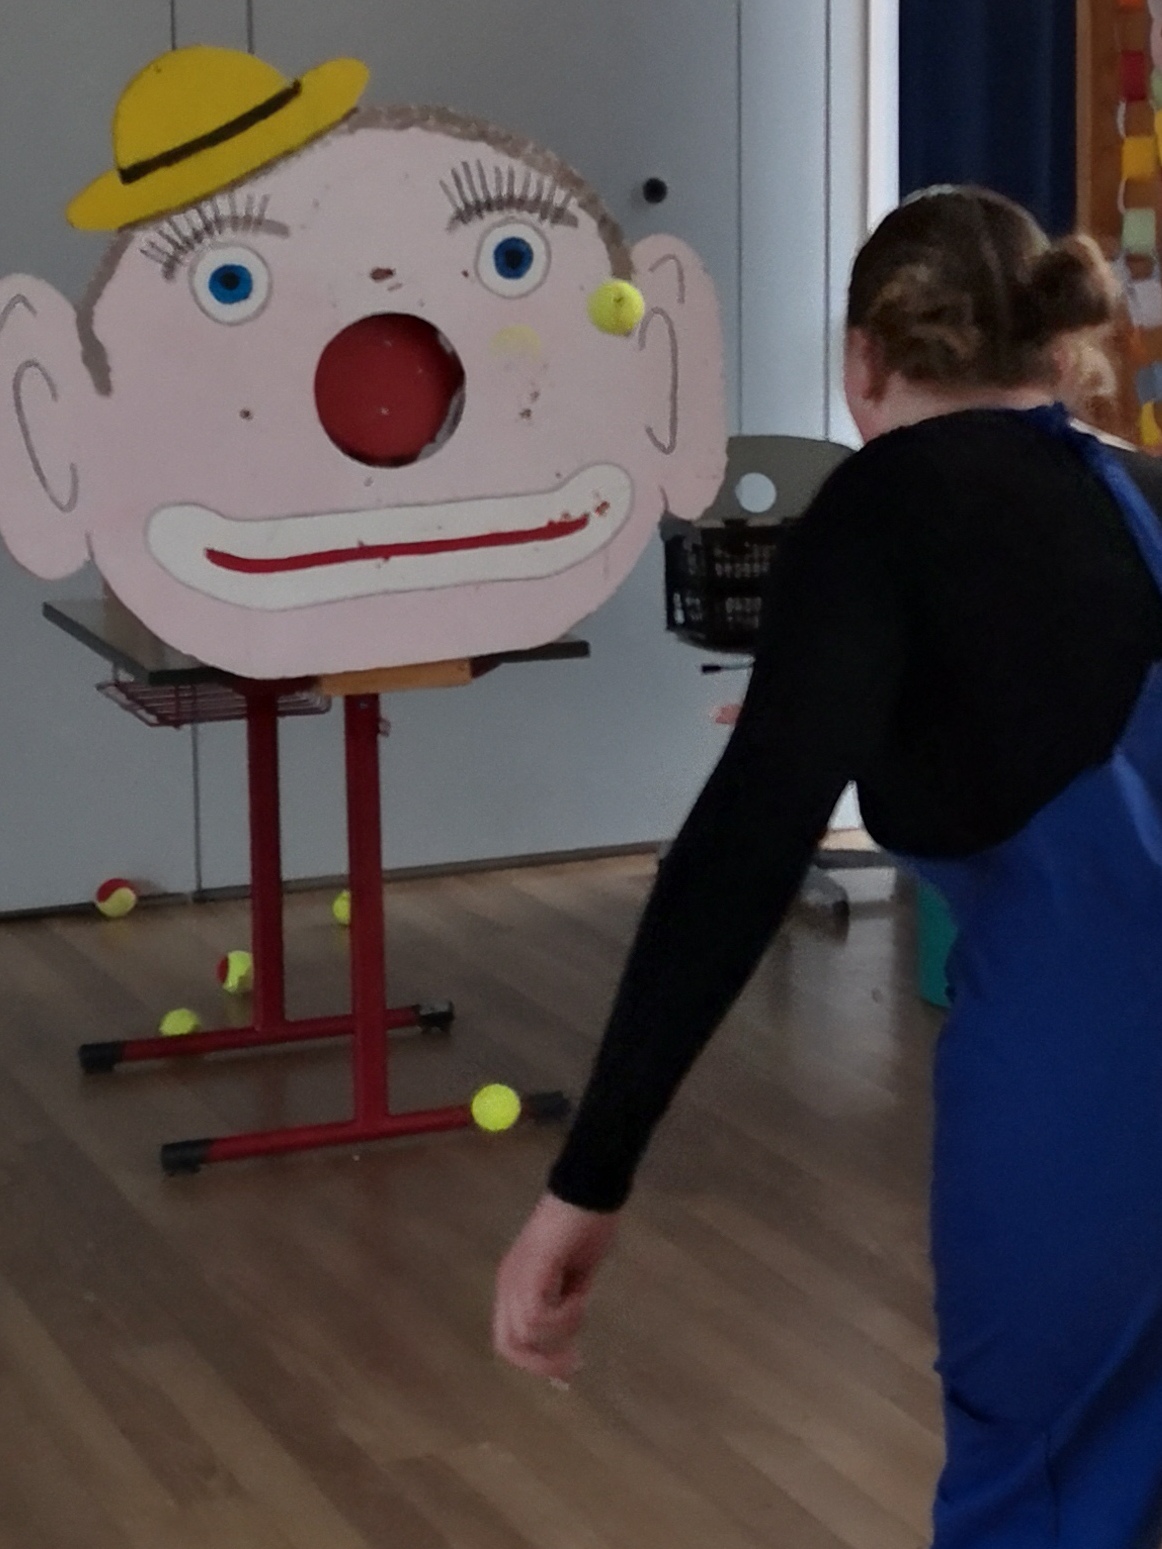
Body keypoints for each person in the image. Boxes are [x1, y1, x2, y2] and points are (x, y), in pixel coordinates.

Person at [492, 186, 1162, 1548]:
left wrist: (590, 1177)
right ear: (1055, 348)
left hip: (1091, 1096)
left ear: (863, 362)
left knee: (1036, 1501)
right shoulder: (1146, 489)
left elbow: (747, 844)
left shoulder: (881, 506)